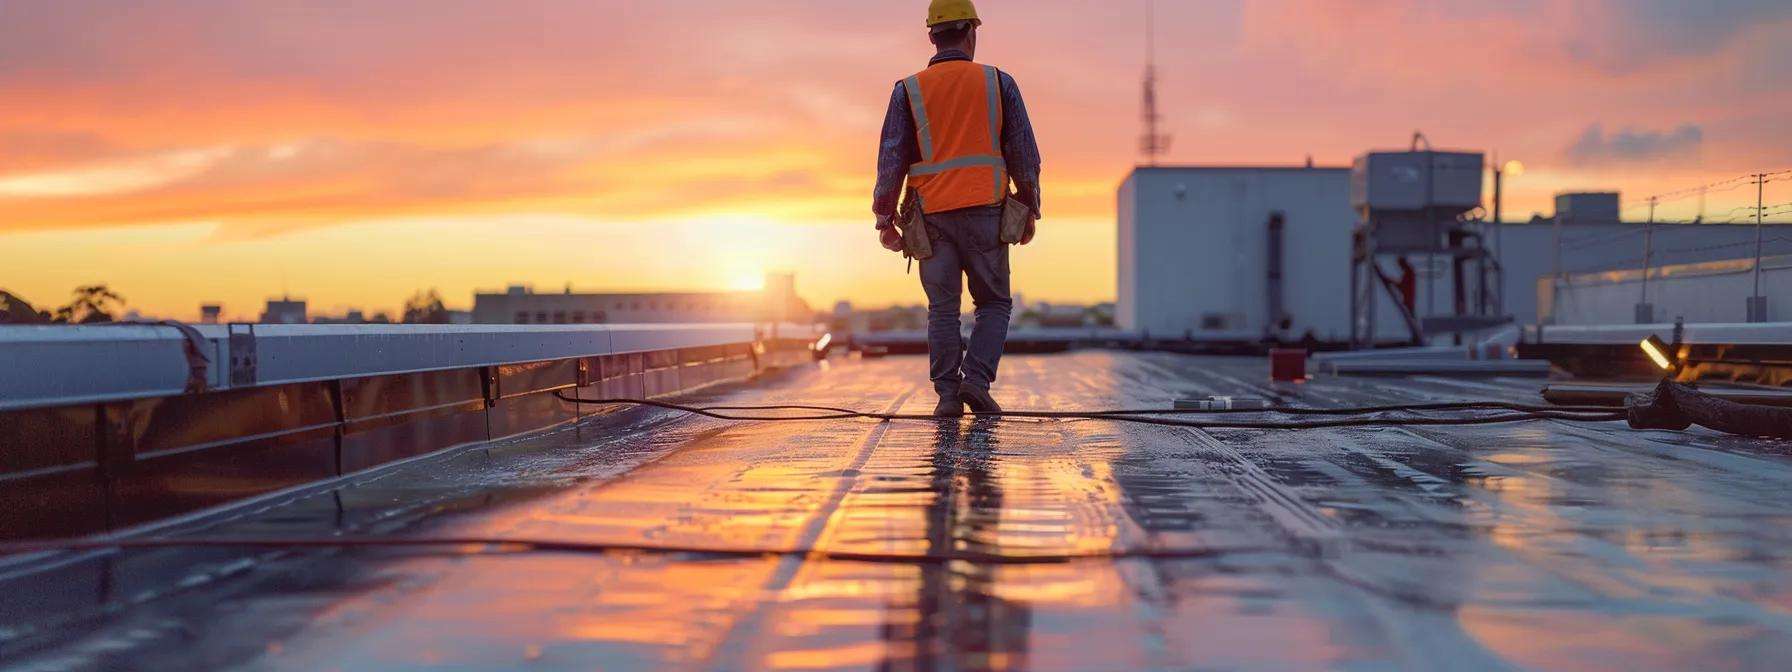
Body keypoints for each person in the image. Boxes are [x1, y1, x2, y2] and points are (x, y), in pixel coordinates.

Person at [872, 0, 1042, 417]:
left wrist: (884, 217)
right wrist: (1029, 206)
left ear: (932, 35)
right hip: (986, 210)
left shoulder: (908, 90)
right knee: (995, 304)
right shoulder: (998, 83)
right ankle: (977, 382)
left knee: (942, 308)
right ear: (972, 33)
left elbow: (891, 158)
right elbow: (1024, 152)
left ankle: (949, 396)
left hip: (931, 218)